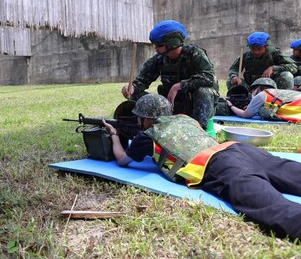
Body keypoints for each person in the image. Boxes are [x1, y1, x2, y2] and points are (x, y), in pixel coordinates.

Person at [102, 94, 301, 240]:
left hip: (219, 165)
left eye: (139, 117)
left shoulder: (147, 136)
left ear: (145, 118)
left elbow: (121, 159)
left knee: (272, 207)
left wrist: (113, 134)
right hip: (240, 149)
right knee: (290, 172)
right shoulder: (184, 118)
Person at [121, 20, 219, 129]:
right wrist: (132, 88)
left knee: (204, 91)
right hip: (170, 104)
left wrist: (178, 86)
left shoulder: (195, 54)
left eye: (159, 45)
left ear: (171, 43)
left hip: (194, 105)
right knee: (136, 95)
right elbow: (143, 80)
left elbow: (209, 77)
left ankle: (199, 130)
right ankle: (148, 125)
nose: (155, 48)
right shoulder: (159, 59)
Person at [227, 32, 296, 90]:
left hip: (273, 89)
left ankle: (284, 101)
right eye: (253, 49)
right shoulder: (245, 56)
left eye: (259, 49)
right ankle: (239, 100)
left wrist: (273, 68)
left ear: (266, 46)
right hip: (250, 88)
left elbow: (293, 67)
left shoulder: (275, 54)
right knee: (230, 80)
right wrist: (234, 76)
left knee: (287, 75)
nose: (256, 52)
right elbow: (233, 68)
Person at [226, 78, 301, 122]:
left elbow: (246, 115)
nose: (252, 94)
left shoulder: (263, 94)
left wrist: (230, 105)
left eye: (252, 91)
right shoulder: (280, 92)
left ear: (258, 89)